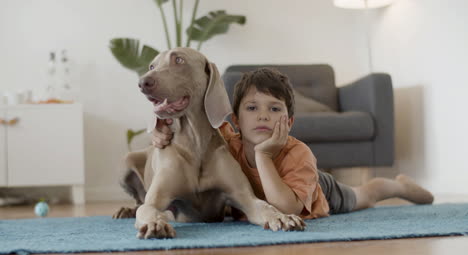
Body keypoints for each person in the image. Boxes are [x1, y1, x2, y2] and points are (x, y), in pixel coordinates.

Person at [152, 68, 434, 219]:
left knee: (365, 195)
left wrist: (263, 156)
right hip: (270, 197)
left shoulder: (299, 153)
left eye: (275, 109)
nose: (263, 114)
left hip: (314, 190)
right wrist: (159, 133)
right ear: (235, 121)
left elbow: (287, 209)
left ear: (289, 124)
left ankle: (398, 186)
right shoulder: (225, 140)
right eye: (252, 108)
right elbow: (191, 129)